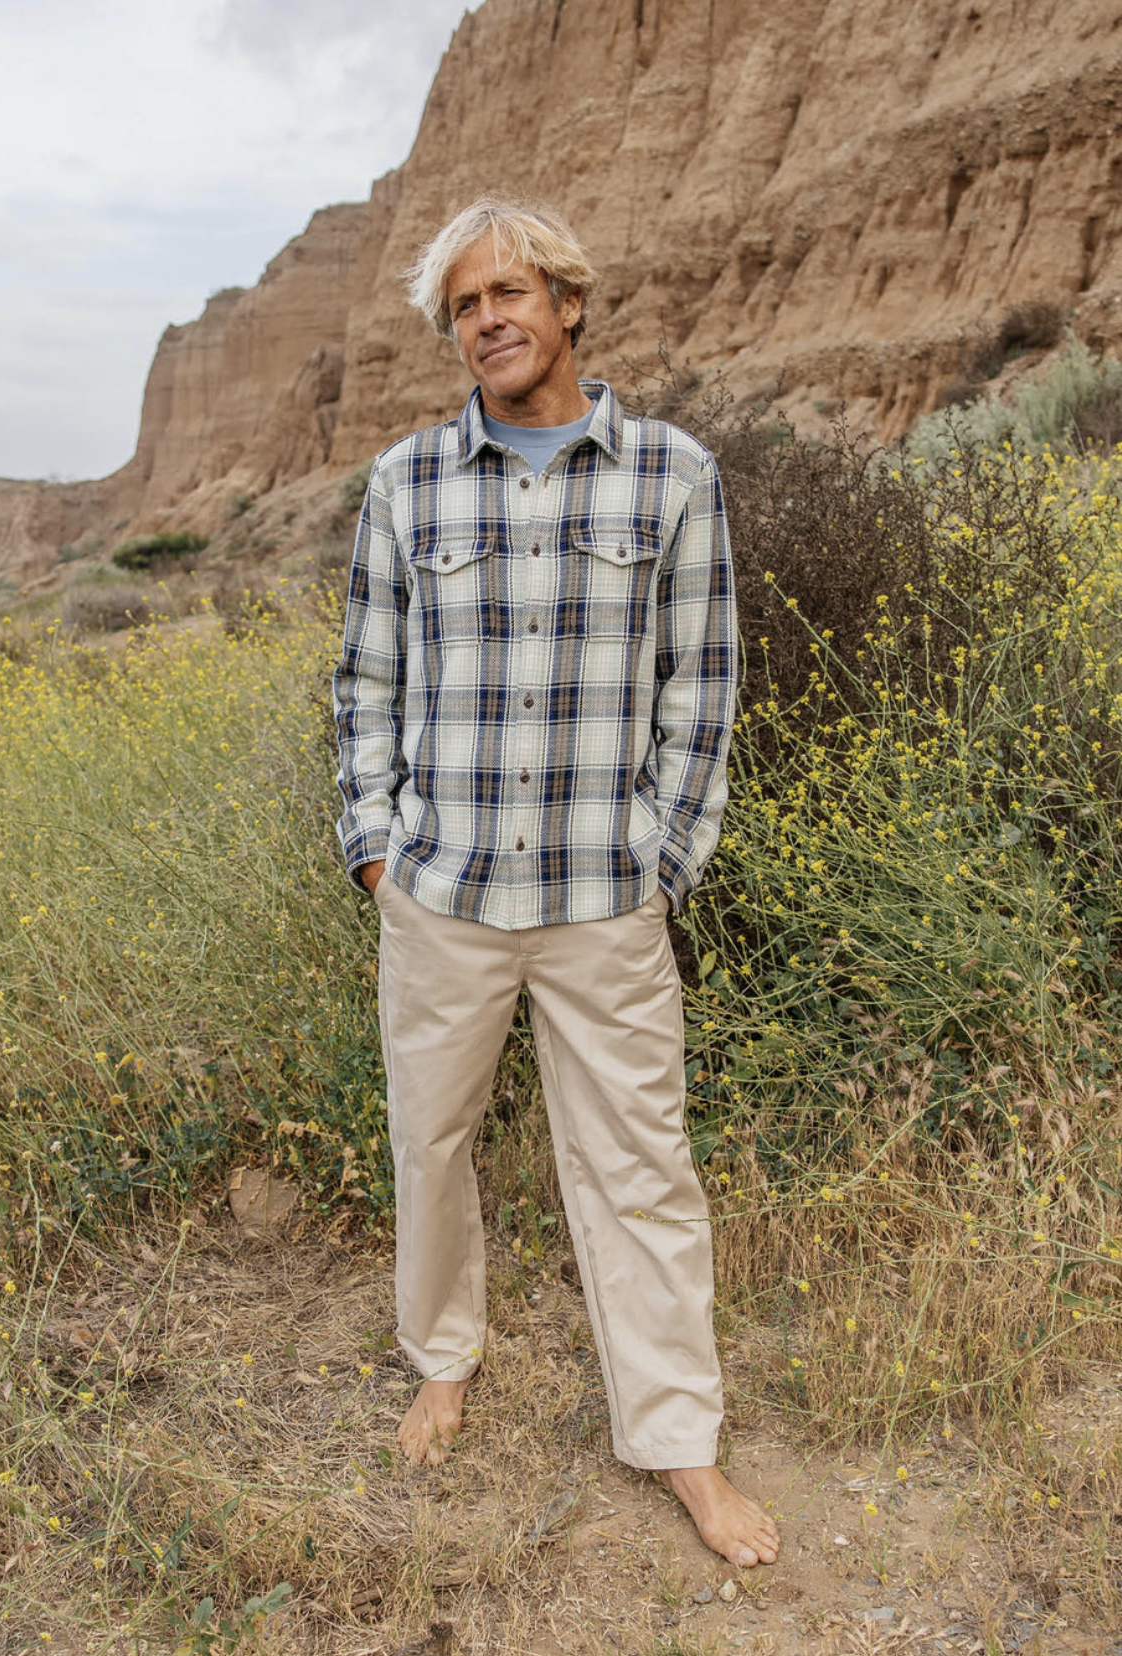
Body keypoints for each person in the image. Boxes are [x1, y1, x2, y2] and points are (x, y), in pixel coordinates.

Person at [332, 197, 779, 1569]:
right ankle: (444, 1359)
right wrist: (374, 846)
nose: (488, 322)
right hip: (444, 896)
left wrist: (668, 862)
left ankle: (680, 1444)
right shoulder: (407, 483)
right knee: (433, 1143)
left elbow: (704, 688)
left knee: (641, 1171)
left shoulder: (671, 473)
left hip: (603, 899)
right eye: (465, 305)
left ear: (569, 304)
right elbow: (363, 685)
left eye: (509, 294)